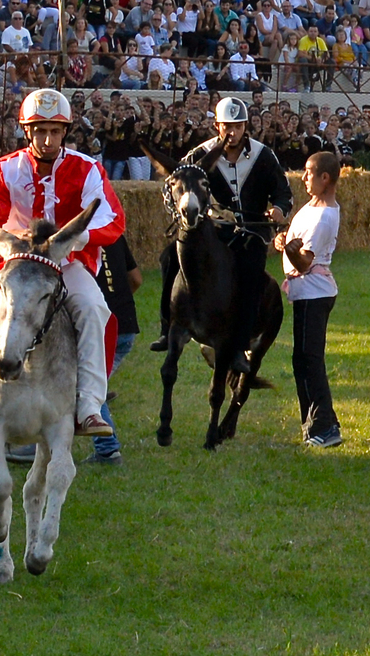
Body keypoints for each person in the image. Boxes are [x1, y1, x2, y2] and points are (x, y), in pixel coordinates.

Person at [0, 88, 123, 437]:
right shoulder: (3, 170)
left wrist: (71, 241)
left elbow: (110, 219)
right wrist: (7, 252)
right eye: (40, 130)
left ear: (65, 131)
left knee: (93, 308)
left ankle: (88, 407)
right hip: (17, 263)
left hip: (66, 263)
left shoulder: (88, 169)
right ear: (27, 131)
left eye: (55, 131)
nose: (47, 139)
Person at [156, 96, 292, 373]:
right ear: (216, 126)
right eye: (226, 126)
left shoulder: (263, 155)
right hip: (213, 231)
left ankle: (240, 346)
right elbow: (172, 184)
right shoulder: (198, 156)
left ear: (246, 126)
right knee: (169, 257)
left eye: (238, 126)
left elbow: (283, 191)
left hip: (251, 233)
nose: (232, 133)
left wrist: (278, 209)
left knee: (252, 271)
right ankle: (167, 327)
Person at [280, 150, 344, 446]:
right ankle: (313, 422)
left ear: (325, 178)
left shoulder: (326, 217)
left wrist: (289, 249)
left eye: (309, 172)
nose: (303, 177)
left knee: (310, 360)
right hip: (305, 292)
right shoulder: (311, 207)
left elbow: (304, 261)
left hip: (314, 293)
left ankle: (324, 426)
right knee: (301, 359)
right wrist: (282, 237)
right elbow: (294, 239)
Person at [85, 234, 143, 465]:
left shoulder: (72, 239)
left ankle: (108, 450)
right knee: (92, 382)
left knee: (88, 385)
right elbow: (136, 279)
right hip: (125, 326)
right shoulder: (113, 233)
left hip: (100, 328)